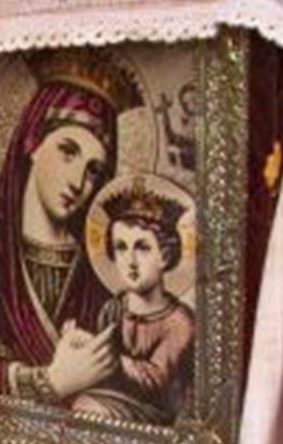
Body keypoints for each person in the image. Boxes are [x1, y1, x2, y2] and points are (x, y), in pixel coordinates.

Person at [0, 48, 144, 407]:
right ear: (32, 140)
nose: (79, 181)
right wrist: (48, 381)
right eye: (68, 151)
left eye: (95, 169)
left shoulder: (103, 271)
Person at [72, 179, 196, 426]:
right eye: (120, 247)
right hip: (111, 401)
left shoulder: (180, 322)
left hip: (157, 417)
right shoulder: (112, 309)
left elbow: (155, 379)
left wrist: (108, 357)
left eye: (142, 248)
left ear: (165, 256)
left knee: (90, 409)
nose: (130, 261)